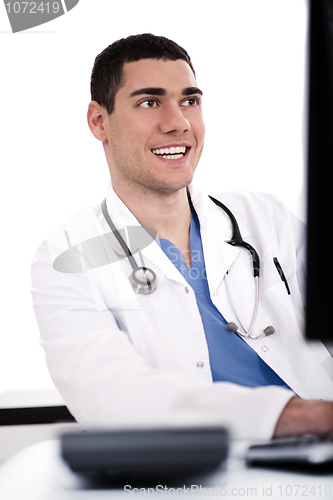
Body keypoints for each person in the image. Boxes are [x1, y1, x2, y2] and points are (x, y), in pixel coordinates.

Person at [31, 34, 333, 440]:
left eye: (189, 101)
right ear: (99, 121)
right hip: (199, 477)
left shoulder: (265, 218)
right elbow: (111, 394)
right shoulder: (68, 256)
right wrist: (301, 417)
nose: (178, 123)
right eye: (149, 102)